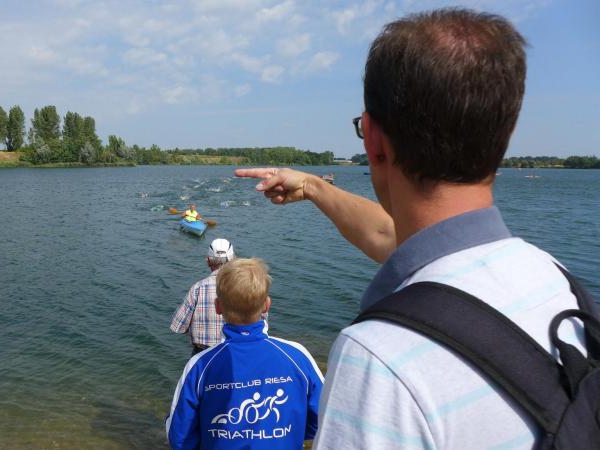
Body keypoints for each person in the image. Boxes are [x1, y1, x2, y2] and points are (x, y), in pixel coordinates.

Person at [237, 8, 589, 449]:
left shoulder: (380, 360)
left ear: (373, 140)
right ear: (506, 131)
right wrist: (312, 186)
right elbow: (393, 238)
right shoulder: (559, 283)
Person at [166, 258, 323, 450]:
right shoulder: (297, 356)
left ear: (218, 307)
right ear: (267, 305)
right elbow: (323, 418)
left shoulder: (200, 366)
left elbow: (179, 437)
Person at [171, 238, 238, 354]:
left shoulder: (197, 289)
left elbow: (179, 327)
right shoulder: (245, 287)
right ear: (234, 260)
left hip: (202, 354)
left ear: (208, 261)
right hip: (234, 353)